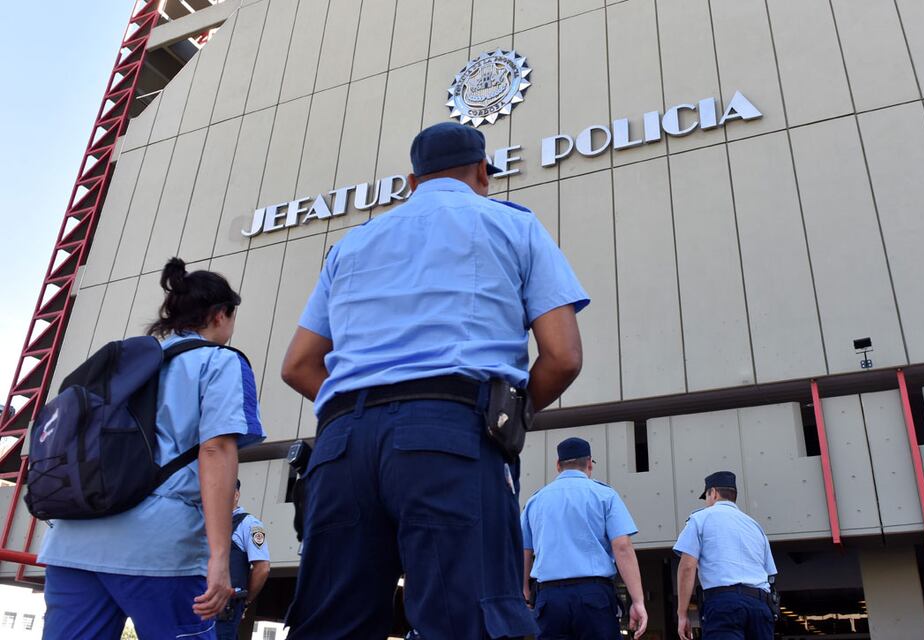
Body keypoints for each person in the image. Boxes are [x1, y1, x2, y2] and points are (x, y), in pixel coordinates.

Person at [280, 121, 590, 639]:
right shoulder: (513, 226)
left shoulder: (353, 244)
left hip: (340, 448)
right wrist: (502, 418)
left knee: (330, 625)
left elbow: (297, 365)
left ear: (410, 181)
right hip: (450, 434)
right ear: (484, 173)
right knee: (466, 619)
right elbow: (563, 356)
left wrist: (364, 414)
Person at [38, 258, 265, 640]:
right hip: (159, 547)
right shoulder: (220, 361)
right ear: (220, 314)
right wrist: (221, 557)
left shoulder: (124, 366)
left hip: (72, 539)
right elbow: (216, 450)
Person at [520, 437, 648, 639]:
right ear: (589, 463)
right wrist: (637, 601)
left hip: (549, 597)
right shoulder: (605, 495)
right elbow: (622, 547)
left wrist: (524, 591)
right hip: (594, 595)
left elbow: (523, 551)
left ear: (558, 466)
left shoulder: (535, 501)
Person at [674, 471, 777, 640]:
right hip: (760, 606)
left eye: (706, 497)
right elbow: (770, 574)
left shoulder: (700, 518)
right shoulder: (755, 526)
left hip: (724, 604)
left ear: (713, 493)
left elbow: (687, 566)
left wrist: (682, 613)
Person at [216, 479, 272, 639]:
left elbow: (262, 568)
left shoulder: (250, 525)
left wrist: (244, 603)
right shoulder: (207, 523)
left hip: (225, 608)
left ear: (236, 495)